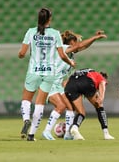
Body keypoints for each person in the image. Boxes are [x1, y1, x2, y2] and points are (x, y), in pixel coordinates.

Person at [18, 8, 75, 141]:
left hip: (34, 71)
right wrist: (70, 62)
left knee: (26, 99)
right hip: (49, 72)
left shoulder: (31, 32)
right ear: (50, 19)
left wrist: (20, 55)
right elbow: (62, 55)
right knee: (40, 104)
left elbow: (22, 53)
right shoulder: (55, 34)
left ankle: (26, 119)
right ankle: (31, 135)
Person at [42, 30, 107, 140]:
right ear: (71, 42)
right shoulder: (62, 48)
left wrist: (94, 38)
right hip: (49, 82)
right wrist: (95, 38)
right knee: (61, 106)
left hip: (58, 84)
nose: (77, 45)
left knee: (71, 107)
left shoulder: (70, 54)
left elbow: (82, 47)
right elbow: (80, 45)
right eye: (75, 42)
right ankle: (46, 131)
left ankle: (67, 134)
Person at [64, 68, 115, 140]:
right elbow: (102, 84)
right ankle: (106, 134)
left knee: (81, 112)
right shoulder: (99, 76)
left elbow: (65, 83)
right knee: (99, 106)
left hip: (70, 85)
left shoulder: (85, 71)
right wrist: (101, 97)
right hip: (86, 82)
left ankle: (74, 128)